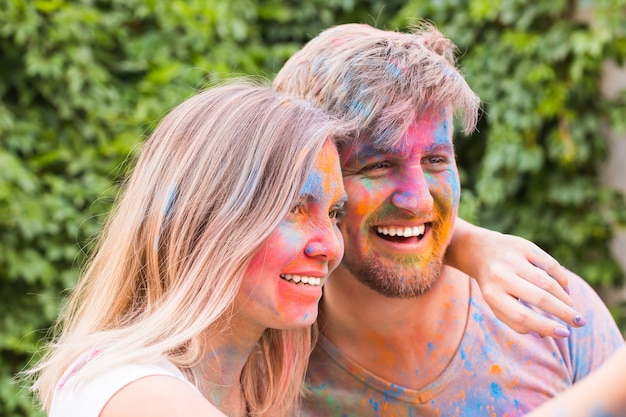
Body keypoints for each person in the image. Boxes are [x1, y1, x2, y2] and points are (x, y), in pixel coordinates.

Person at [273, 22, 625, 416]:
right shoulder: (271, 364)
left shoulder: (547, 307)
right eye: (377, 164)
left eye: (435, 160)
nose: (418, 200)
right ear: (311, 181)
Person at [27, 82, 351, 417]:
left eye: (333, 213)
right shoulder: (134, 394)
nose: (330, 246)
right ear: (202, 218)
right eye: (294, 208)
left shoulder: (250, 391)